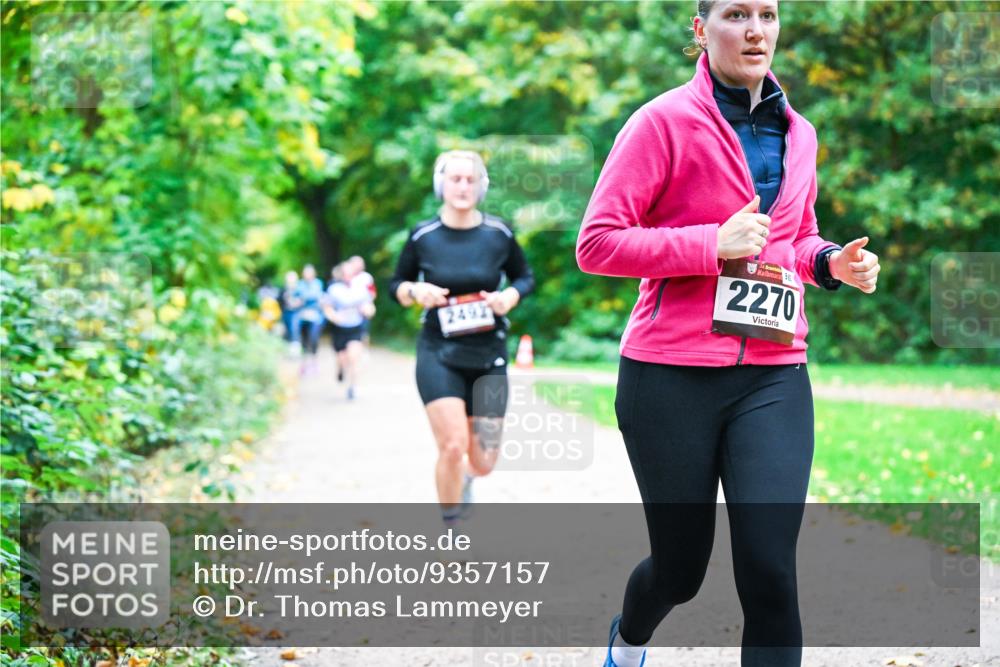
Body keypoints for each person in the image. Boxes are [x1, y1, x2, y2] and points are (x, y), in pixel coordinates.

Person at [575, 2, 881, 666]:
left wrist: (831, 263)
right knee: (680, 570)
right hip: (668, 377)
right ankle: (628, 641)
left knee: (771, 569)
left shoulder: (800, 133)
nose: (754, 30)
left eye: (767, 15)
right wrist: (709, 244)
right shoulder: (661, 123)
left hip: (774, 372)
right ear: (700, 29)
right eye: (736, 14)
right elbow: (597, 244)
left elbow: (794, 237)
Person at [389, 150, 535, 528]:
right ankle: (451, 524)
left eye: (470, 180)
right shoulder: (423, 236)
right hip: (439, 352)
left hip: (489, 355)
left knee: (484, 461)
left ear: (482, 186)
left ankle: (468, 479)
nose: (462, 187)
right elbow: (395, 284)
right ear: (441, 185)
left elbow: (525, 277)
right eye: (455, 179)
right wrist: (413, 291)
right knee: (452, 446)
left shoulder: (498, 233)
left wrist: (509, 297)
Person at [324, 261, 375, 400]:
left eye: (350, 273)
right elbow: (327, 307)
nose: (348, 276)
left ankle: (353, 387)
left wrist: (368, 311)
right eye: (345, 274)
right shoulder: (333, 289)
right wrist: (334, 317)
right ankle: (340, 368)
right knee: (342, 358)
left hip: (356, 327)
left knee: (354, 357)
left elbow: (370, 306)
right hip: (339, 329)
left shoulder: (361, 288)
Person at [289, 264, 325, 375]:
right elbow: (294, 301)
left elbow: (319, 298)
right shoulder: (300, 285)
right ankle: (304, 365)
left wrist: (304, 299)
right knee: (303, 341)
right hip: (303, 317)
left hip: (315, 317)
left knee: (314, 339)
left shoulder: (318, 283)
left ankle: (314, 364)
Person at [278, 270, 300, 346]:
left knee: (294, 329)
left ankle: (295, 346)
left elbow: (302, 300)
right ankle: (287, 346)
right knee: (286, 329)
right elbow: (279, 300)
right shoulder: (283, 289)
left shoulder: (298, 289)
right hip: (285, 312)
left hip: (295, 312)